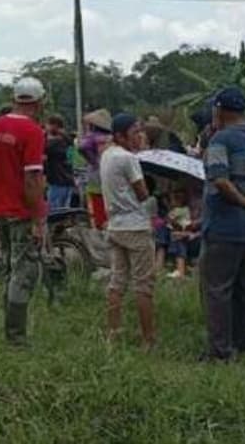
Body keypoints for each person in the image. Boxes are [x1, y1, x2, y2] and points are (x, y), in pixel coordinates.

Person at [199, 87, 245, 362]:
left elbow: (219, 179)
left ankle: (220, 351)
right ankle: (244, 343)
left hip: (225, 225)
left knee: (217, 289)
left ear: (220, 109)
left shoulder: (221, 140)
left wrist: (241, 202)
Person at [0, 77, 47, 345]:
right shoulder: (33, 132)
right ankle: (16, 336)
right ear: (39, 102)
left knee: (10, 267)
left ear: (15, 99)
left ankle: (7, 328)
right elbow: (32, 180)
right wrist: (38, 219)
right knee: (24, 272)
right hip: (20, 211)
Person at [100, 113, 155, 347]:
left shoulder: (107, 155)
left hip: (115, 225)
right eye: (134, 132)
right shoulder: (128, 159)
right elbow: (142, 194)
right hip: (136, 226)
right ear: (121, 136)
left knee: (117, 280)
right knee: (143, 284)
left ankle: (114, 332)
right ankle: (148, 339)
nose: (139, 136)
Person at [79, 109, 113, 230]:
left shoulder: (92, 137)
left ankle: (101, 228)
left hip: (96, 174)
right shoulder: (110, 137)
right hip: (110, 173)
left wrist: (93, 161)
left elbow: (82, 147)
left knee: (98, 205)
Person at [44, 114, 75, 210]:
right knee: (65, 211)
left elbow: (43, 148)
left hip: (57, 180)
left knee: (55, 212)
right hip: (68, 179)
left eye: (48, 124)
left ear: (54, 125)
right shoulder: (68, 140)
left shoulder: (55, 143)